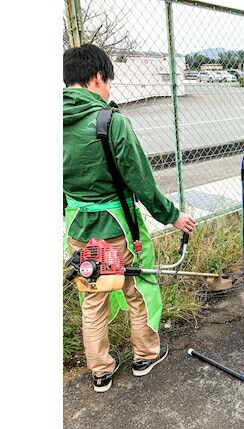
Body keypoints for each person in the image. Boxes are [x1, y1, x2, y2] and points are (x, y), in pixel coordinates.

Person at [63, 44, 196, 392]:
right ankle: (145, 355)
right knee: (138, 287)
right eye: (108, 82)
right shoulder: (111, 122)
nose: (109, 90)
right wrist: (172, 216)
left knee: (93, 297)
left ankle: (101, 370)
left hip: (76, 226)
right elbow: (141, 182)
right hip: (117, 228)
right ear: (96, 77)